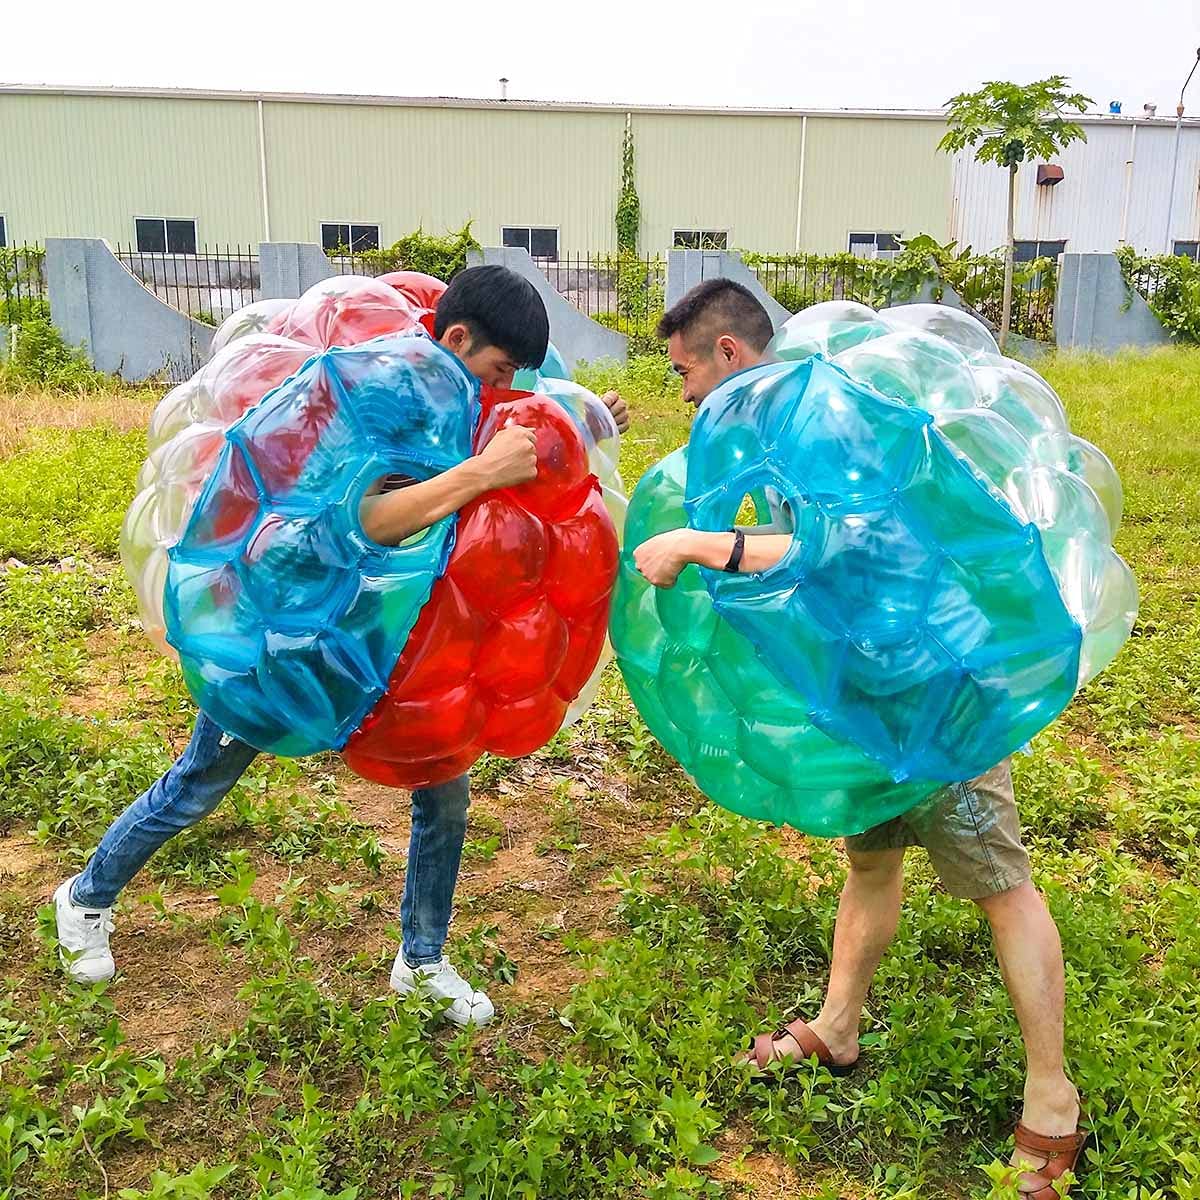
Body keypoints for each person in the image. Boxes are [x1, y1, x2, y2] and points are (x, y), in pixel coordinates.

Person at [55, 265, 629, 1031]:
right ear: (456, 338)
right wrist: (480, 473)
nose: (504, 386)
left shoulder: (451, 385)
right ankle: (85, 897)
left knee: (444, 792)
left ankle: (421, 959)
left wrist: (580, 428)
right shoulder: (375, 388)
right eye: (497, 370)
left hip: (396, 629)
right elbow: (357, 522)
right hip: (286, 623)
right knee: (203, 778)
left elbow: (488, 451)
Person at [632, 278, 1087, 1200]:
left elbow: (839, 547)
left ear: (729, 355)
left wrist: (695, 545)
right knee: (871, 866)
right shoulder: (778, 422)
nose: (681, 393)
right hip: (866, 699)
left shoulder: (823, 415)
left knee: (1001, 887)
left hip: (931, 692)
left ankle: (1054, 1100)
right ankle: (840, 1027)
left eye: (685, 371)